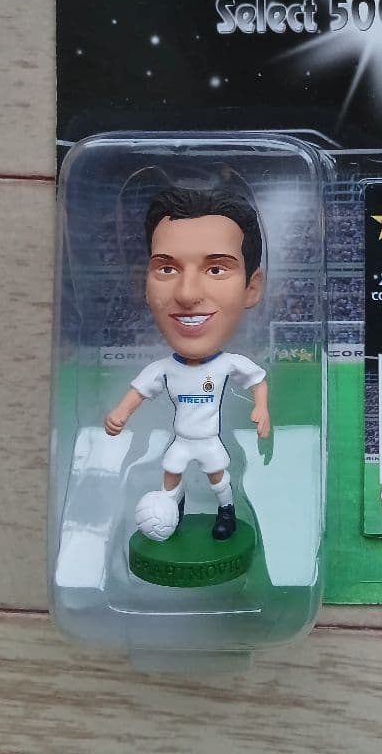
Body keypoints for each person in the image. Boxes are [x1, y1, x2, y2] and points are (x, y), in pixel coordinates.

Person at [104, 187, 270, 541]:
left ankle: (226, 510)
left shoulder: (226, 364)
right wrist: (120, 412)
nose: (187, 294)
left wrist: (261, 408)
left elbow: (257, 380)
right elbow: (138, 392)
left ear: (252, 288)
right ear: (144, 284)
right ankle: (172, 509)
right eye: (166, 268)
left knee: (218, 477)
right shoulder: (165, 369)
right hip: (182, 438)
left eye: (216, 269)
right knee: (170, 475)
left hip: (208, 439)